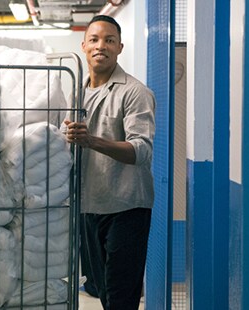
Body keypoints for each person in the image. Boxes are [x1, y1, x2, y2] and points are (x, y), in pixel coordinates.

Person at [63, 15, 156, 310]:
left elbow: (141, 150)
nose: (100, 45)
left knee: (120, 298)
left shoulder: (134, 92)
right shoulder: (75, 93)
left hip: (126, 208)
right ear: (84, 46)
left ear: (119, 48)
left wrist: (92, 140)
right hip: (89, 207)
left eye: (109, 40)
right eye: (94, 39)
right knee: (101, 292)